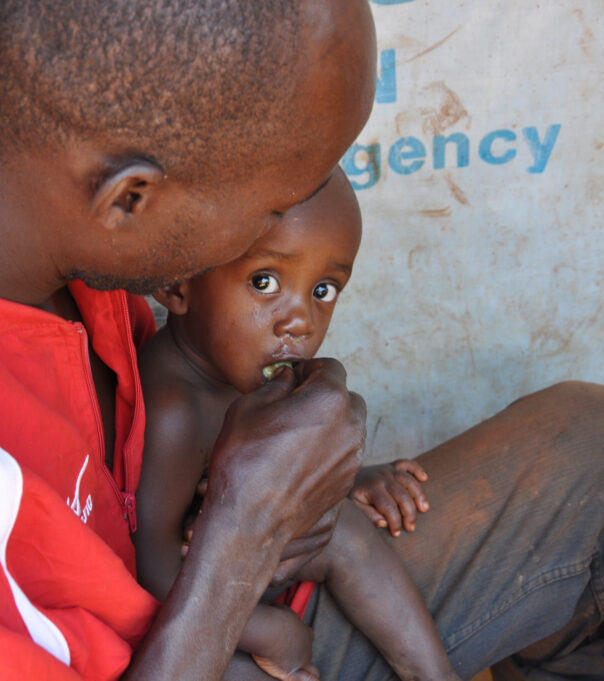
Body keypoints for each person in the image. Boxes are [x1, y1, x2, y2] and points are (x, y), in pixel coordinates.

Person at [0, 1, 604, 680]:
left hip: (215, 613)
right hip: (206, 632)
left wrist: (293, 503)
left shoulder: (23, 214)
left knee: (597, 446)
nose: (296, 225)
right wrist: (242, 538)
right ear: (132, 202)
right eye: (274, 201)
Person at [135, 168, 457, 681]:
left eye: (324, 290)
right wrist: (269, 630)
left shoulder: (243, 367)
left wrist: (349, 479)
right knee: (340, 536)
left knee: (343, 528)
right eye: (265, 282)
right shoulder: (173, 407)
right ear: (178, 283)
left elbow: (279, 478)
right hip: (198, 611)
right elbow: (151, 571)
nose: (301, 320)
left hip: (261, 567)